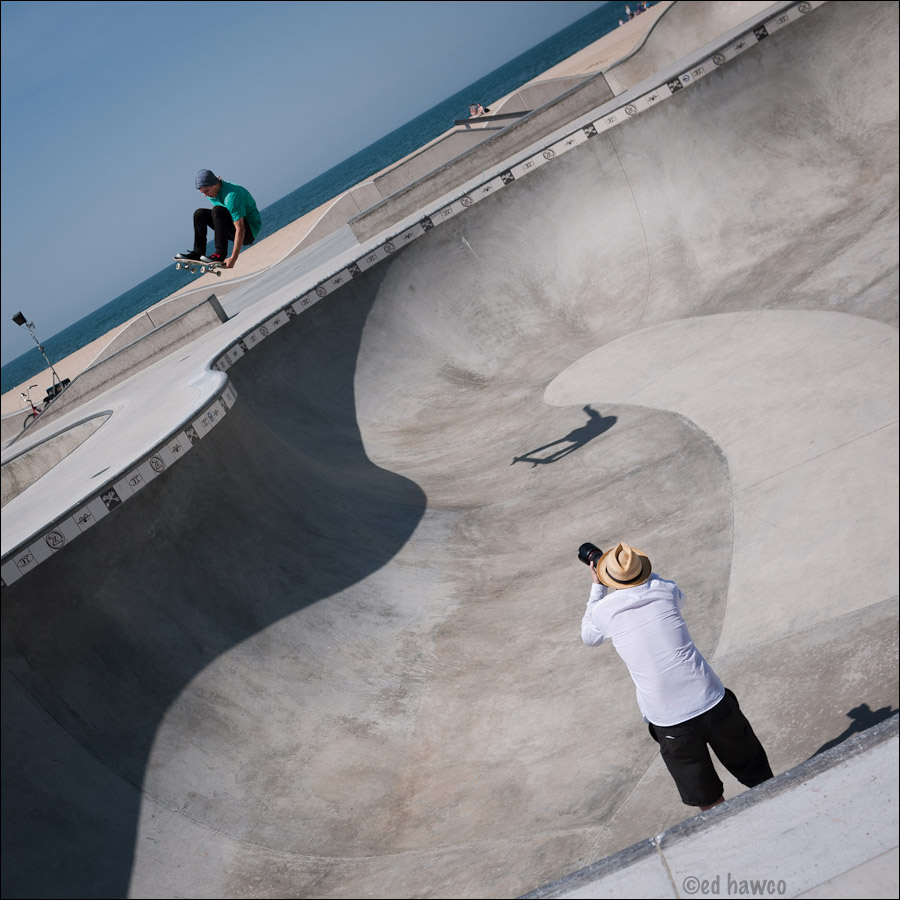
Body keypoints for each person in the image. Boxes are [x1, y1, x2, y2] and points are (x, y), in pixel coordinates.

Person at [581, 542, 773, 810]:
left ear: (606, 575)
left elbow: (589, 637)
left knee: (709, 800)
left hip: (670, 721)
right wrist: (644, 578)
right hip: (713, 701)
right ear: (643, 570)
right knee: (761, 777)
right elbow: (672, 592)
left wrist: (597, 588)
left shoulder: (605, 610)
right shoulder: (665, 590)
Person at [175, 169, 261, 268]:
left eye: (206, 191)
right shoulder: (211, 193)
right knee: (199, 214)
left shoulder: (232, 195)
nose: (205, 195)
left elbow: (241, 228)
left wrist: (233, 258)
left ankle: (219, 254)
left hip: (249, 232)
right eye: (202, 193)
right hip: (233, 227)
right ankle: (197, 253)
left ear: (215, 184)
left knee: (218, 210)